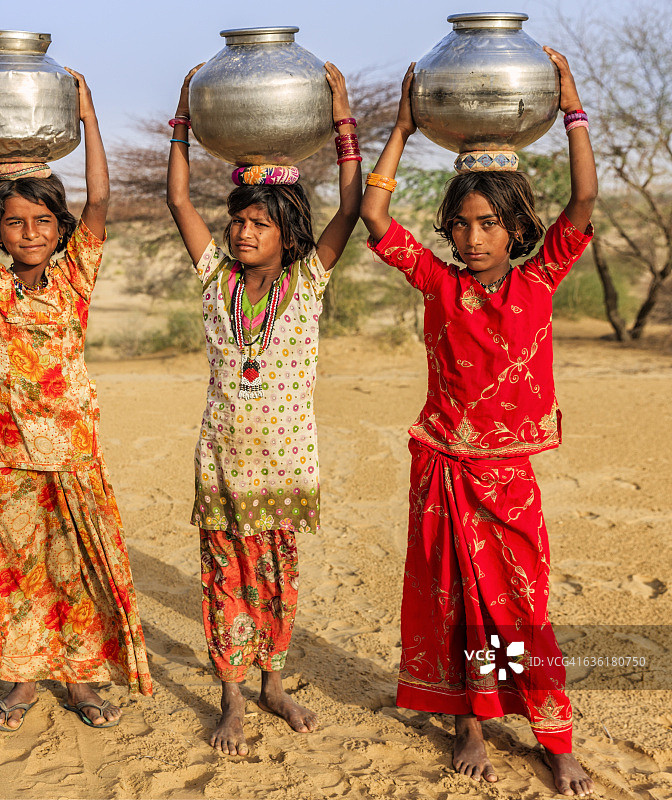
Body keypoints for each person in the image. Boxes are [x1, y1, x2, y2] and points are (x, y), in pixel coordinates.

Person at [359, 49, 597, 797]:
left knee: (523, 606)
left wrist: (571, 107)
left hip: (508, 479)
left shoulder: (540, 276)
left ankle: (553, 737)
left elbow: (585, 200)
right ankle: (469, 721)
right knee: (454, 601)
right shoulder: (436, 282)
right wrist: (399, 126)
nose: (472, 238)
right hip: (444, 468)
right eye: (460, 225)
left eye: (489, 223)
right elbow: (373, 217)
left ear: (515, 224)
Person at [0, 63, 152, 731]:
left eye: (42, 219)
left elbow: (102, 203)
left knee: (81, 562)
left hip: (74, 447)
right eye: (16, 222)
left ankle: (82, 681)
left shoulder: (77, 277)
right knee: (18, 564)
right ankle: (23, 679)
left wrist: (86, 118)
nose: (30, 231)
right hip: (10, 451)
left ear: (58, 225)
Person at [167, 63, 362, 756]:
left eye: (259, 223)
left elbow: (350, 207)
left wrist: (343, 122)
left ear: (287, 233)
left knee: (277, 580)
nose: (244, 233)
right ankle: (230, 699)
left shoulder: (308, 283)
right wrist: (185, 121)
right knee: (224, 581)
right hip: (222, 462)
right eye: (239, 221)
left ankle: (273, 683)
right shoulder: (214, 279)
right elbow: (179, 201)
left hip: (281, 466)